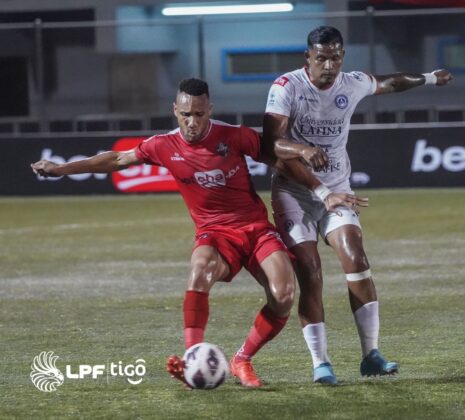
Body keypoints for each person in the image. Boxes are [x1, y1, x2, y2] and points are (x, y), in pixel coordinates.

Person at [31, 78, 364, 389]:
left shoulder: (233, 136)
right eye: (186, 114)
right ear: (175, 111)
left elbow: (277, 158)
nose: (192, 122)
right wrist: (61, 169)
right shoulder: (163, 145)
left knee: (284, 294)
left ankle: (241, 359)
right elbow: (118, 158)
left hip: (256, 229)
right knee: (199, 269)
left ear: (210, 110)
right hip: (214, 233)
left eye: (199, 114)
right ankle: (193, 359)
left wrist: (321, 190)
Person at [263, 26, 453, 385]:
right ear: (307, 57)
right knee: (310, 273)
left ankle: (371, 355)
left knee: (357, 258)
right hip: (294, 193)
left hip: (337, 189)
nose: (329, 65)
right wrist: (303, 150)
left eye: (335, 58)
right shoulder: (286, 88)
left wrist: (429, 77)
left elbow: (391, 82)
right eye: (321, 58)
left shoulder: (351, 83)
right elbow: (269, 145)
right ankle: (321, 363)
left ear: (342, 57)